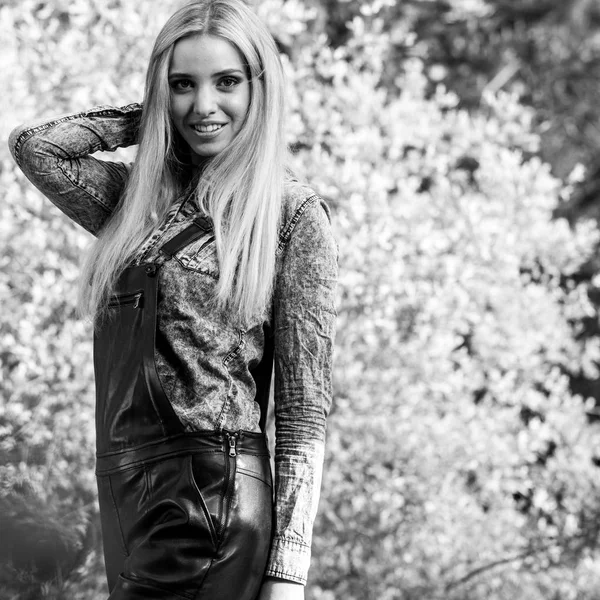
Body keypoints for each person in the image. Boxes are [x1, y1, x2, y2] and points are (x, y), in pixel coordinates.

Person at [8, 1, 338, 599]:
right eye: (183, 85)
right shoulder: (137, 207)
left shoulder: (289, 215)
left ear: (261, 89)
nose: (204, 105)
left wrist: (288, 573)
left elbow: (302, 409)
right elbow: (38, 148)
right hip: (128, 495)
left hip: (209, 500)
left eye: (228, 83)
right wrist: (154, 116)